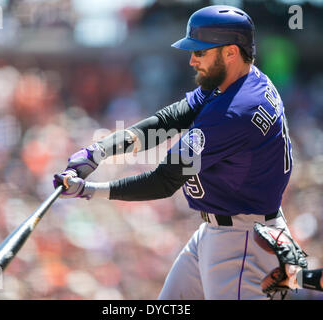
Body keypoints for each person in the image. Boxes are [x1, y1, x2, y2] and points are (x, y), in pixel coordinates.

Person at [54, 5, 297, 300]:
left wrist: (89, 190)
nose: (192, 60)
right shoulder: (237, 80)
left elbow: (164, 181)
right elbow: (170, 119)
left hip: (242, 243)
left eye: (201, 51)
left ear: (231, 52)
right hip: (223, 230)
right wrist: (98, 151)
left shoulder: (234, 112)